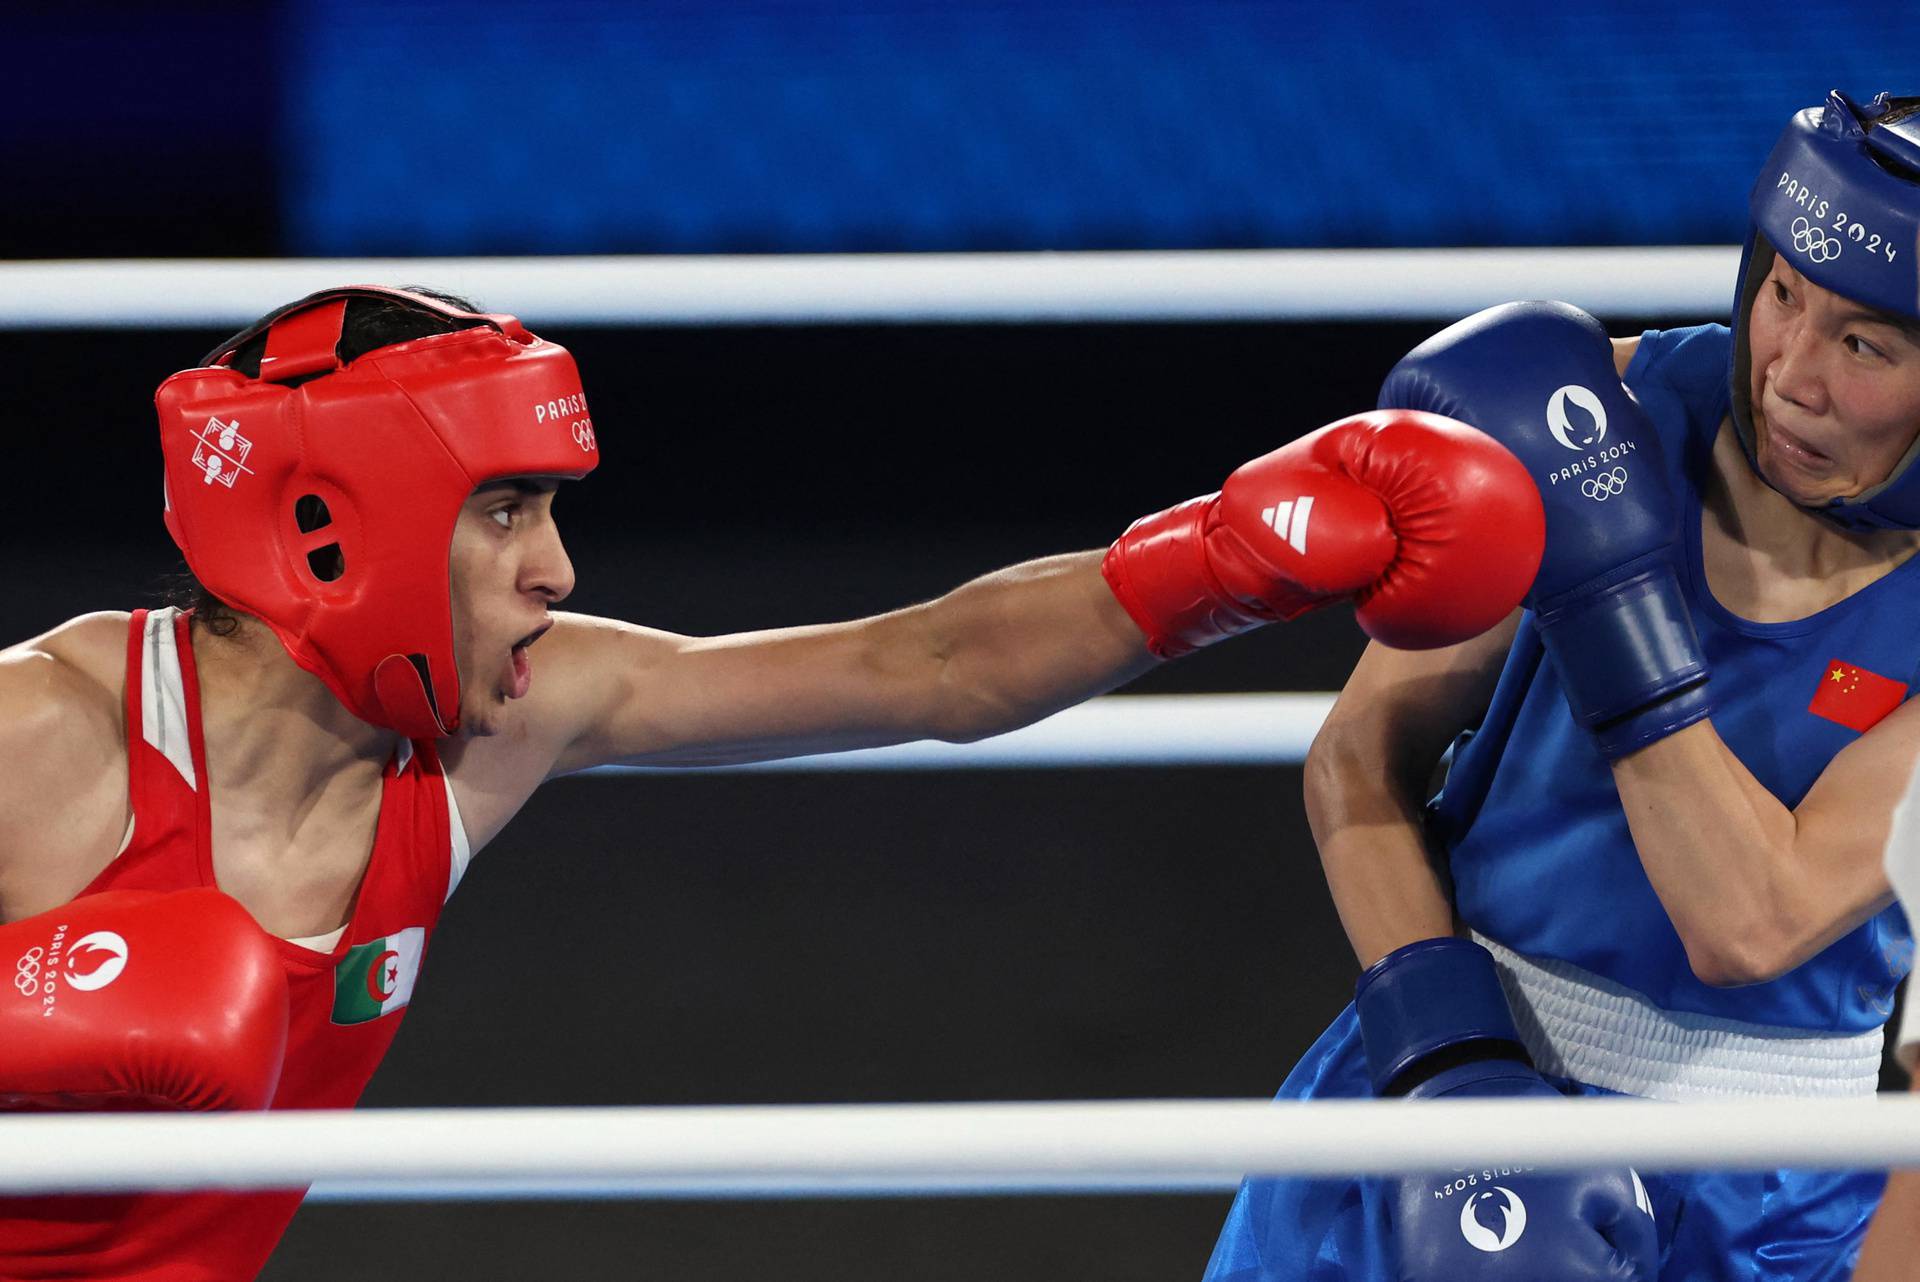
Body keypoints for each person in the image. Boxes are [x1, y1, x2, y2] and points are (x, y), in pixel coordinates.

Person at [0, 284, 1542, 1279]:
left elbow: (921, 668)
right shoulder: (43, 740)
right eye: (504, 513)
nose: (556, 568)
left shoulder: (498, 722)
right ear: (333, 532)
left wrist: (1222, 562)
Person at [1203, 89, 1920, 1282]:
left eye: (1866, 345)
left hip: (1764, 1198)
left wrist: (1606, 585)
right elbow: (1357, 756)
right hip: (1447, 1068)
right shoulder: (1602, 419)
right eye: (1784, 293)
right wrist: (1449, 1069)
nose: (1791, 372)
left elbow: (1751, 919)